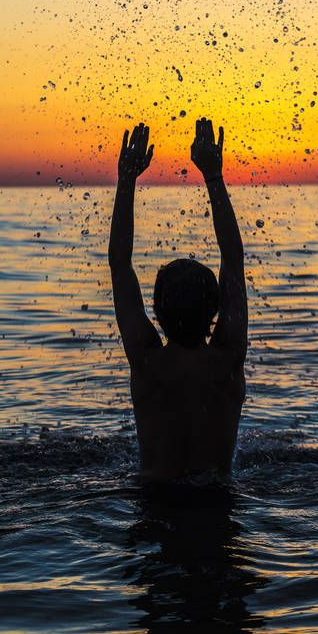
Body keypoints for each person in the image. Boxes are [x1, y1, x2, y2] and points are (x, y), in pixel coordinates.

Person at [108, 118, 247, 481]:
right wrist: (213, 177)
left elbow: (120, 265)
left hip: (153, 501)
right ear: (216, 309)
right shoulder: (228, 358)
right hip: (220, 506)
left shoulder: (147, 361)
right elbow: (233, 258)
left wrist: (127, 181)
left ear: (155, 312)